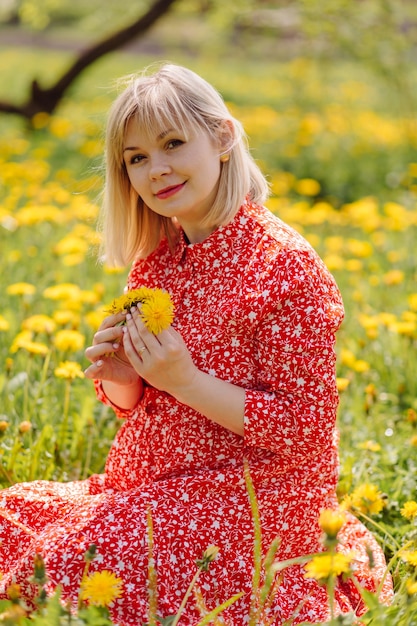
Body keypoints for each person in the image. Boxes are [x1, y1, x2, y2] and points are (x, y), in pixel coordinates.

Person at [0, 63, 392, 624]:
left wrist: (184, 380)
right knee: (11, 521)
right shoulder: (158, 256)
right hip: (146, 484)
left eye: (173, 144)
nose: (155, 170)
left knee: (61, 566)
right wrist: (123, 378)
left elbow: (305, 435)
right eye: (136, 158)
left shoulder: (285, 268)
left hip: (252, 501)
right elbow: (144, 407)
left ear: (224, 137)